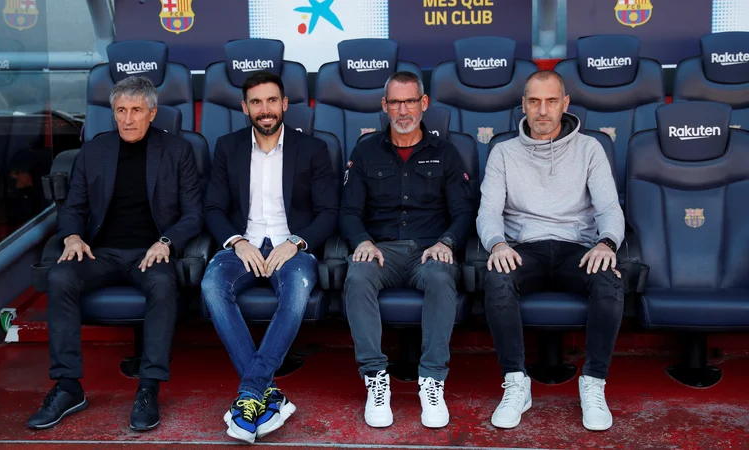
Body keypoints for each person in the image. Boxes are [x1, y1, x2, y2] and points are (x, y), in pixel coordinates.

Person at [27, 75, 203, 432]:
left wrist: (166, 242)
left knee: (163, 286)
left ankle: (148, 388)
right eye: (120, 110)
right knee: (60, 276)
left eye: (136, 110)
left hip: (151, 252)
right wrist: (73, 237)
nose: (127, 119)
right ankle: (67, 387)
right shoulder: (94, 151)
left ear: (152, 113)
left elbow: (193, 215)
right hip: (100, 252)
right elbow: (73, 206)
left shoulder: (177, 151)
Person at [477, 70, 625, 431]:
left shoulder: (591, 148)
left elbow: (609, 209)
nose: (542, 110)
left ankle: (593, 383)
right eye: (534, 101)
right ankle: (516, 382)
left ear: (565, 104)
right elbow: (488, 213)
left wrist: (607, 242)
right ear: (523, 105)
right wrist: (496, 243)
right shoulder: (503, 152)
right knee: (496, 276)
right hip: (523, 249)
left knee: (609, 280)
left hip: (577, 247)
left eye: (551, 101)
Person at [201, 71, 339, 444]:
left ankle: (250, 392)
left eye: (272, 101)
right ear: (245, 108)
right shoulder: (227, 147)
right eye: (257, 102)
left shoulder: (312, 149)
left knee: (295, 294)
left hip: (291, 247)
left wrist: (295, 242)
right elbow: (212, 207)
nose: (265, 110)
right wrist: (236, 242)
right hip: (242, 246)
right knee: (212, 285)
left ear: (285, 104)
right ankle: (266, 393)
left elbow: (329, 211)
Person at [340, 71, 475, 429]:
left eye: (410, 101)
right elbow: (349, 212)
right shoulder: (365, 151)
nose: (403, 110)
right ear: (384, 106)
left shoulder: (446, 153)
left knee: (442, 276)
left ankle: (431, 380)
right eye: (395, 102)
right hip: (381, 251)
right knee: (357, 274)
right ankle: (375, 379)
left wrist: (447, 243)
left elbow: (463, 212)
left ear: (424, 104)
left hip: (429, 250)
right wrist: (362, 241)